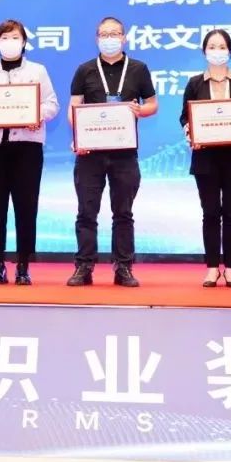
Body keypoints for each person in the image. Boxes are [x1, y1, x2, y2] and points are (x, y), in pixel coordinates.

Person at [0, 19, 60, 285]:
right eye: (4, 37)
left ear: (24, 41)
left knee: (26, 205)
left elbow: (52, 105)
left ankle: (23, 265)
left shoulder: (38, 71)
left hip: (27, 146)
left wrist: (35, 115)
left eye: (15, 37)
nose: (10, 42)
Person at [67, 16, 158, 288]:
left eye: (115, 33)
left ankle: (123, 267)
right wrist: (79, 134)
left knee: (123, 213)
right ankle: (84, 266)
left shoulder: (139, 69)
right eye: (105, 34)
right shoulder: (84, 70)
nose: (110, 39)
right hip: (90, 154)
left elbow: (152, 104)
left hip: (124, 153)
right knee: (86, 212)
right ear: (97, 39)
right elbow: (74, 107)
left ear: (124, 38)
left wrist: (140, 110)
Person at [178, 29, 231, 288]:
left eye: (222, 47)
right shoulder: (195, 83)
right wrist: (190, 130)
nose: (217, 51)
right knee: (210, 213)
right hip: (205, 158)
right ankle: (212, 267)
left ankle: (230, 268)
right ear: (204, 51)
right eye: (212, 46)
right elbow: (185, 116)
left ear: (230, 51)